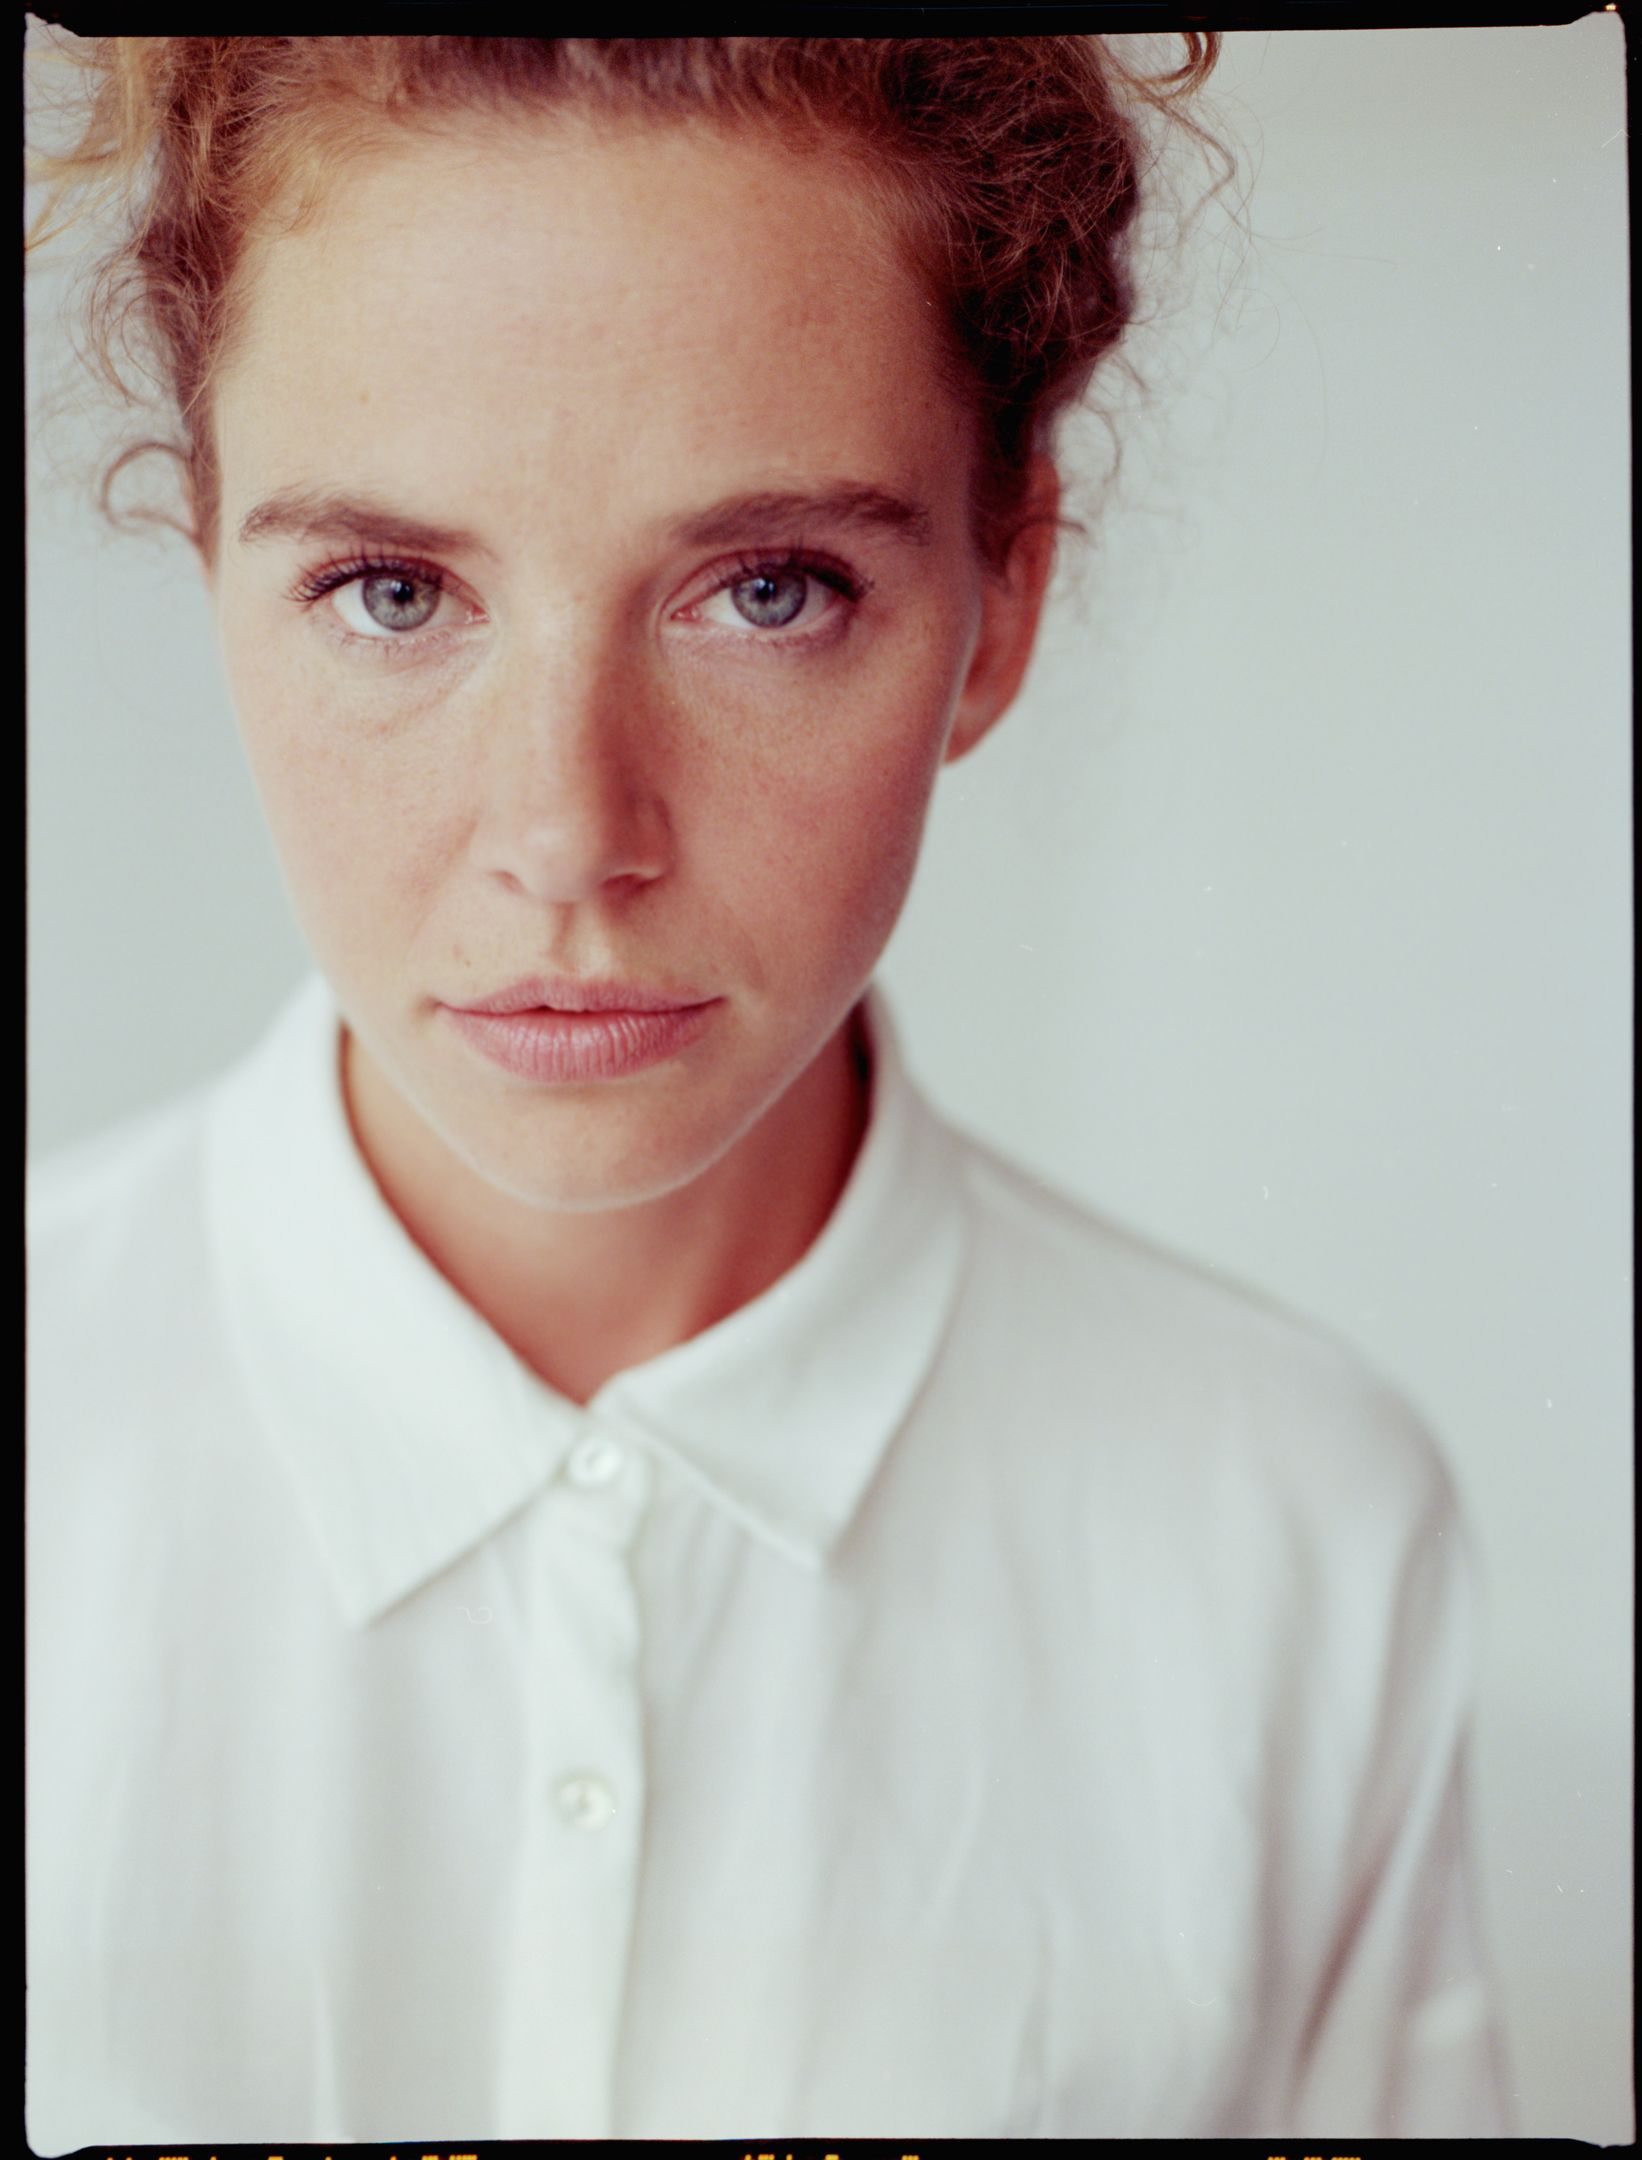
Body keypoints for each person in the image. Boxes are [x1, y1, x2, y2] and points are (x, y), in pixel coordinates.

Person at [25, 31, 1513, 2148]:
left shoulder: (1296, 1538)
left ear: (1000, 595)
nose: (567, 837)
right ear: (206, 569)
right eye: (391, 591)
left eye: (765, 591)